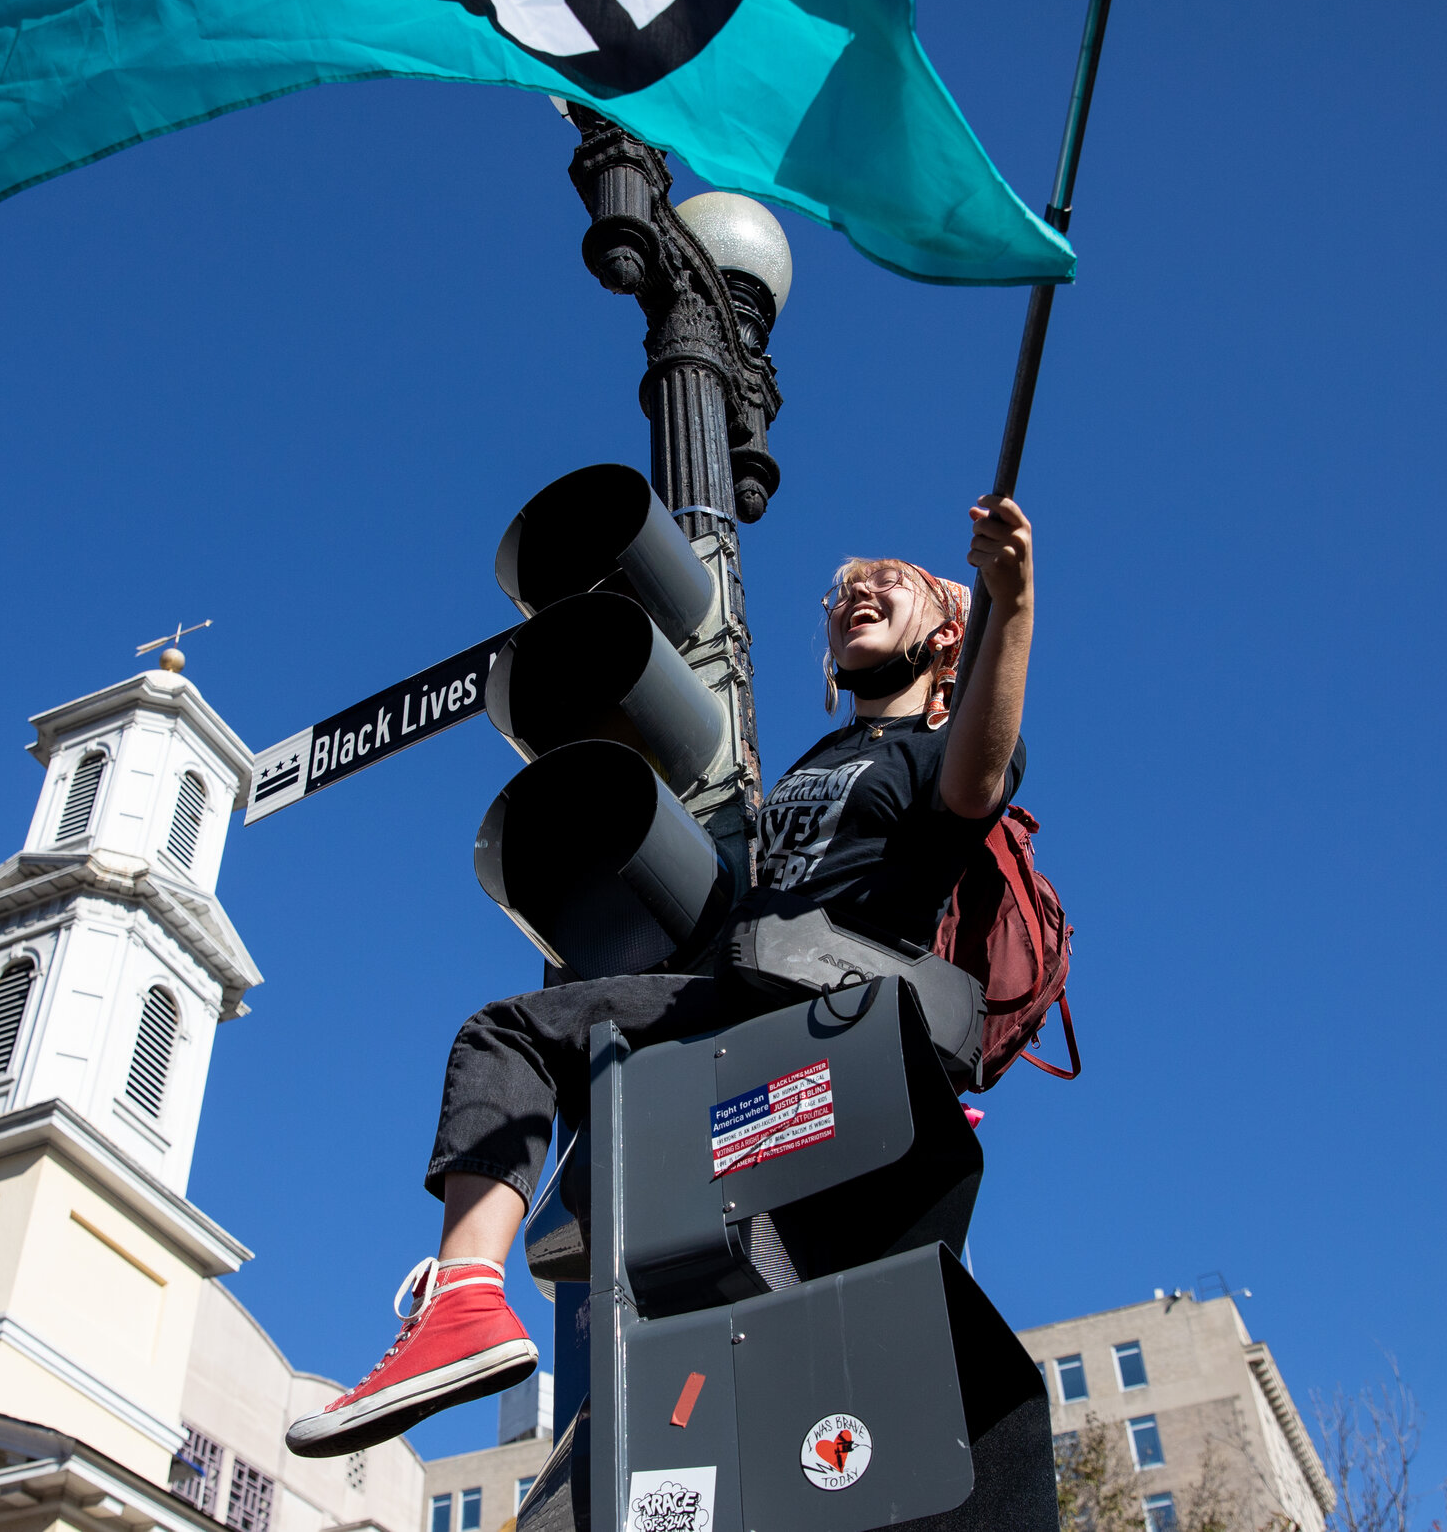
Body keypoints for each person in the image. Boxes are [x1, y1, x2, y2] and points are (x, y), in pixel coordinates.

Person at [284, 495, 1036, 1459]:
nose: (857, 592)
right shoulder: (825, 755)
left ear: (945, 635)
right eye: (844, 588)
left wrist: (1009, 604)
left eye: (888, 581)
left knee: (507, 1035)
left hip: (823, 1016)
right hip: (737, 1009)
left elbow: (978, 779)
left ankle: (465, 1298)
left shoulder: (940, 751)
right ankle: (595, 1392)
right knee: (619, 1199)